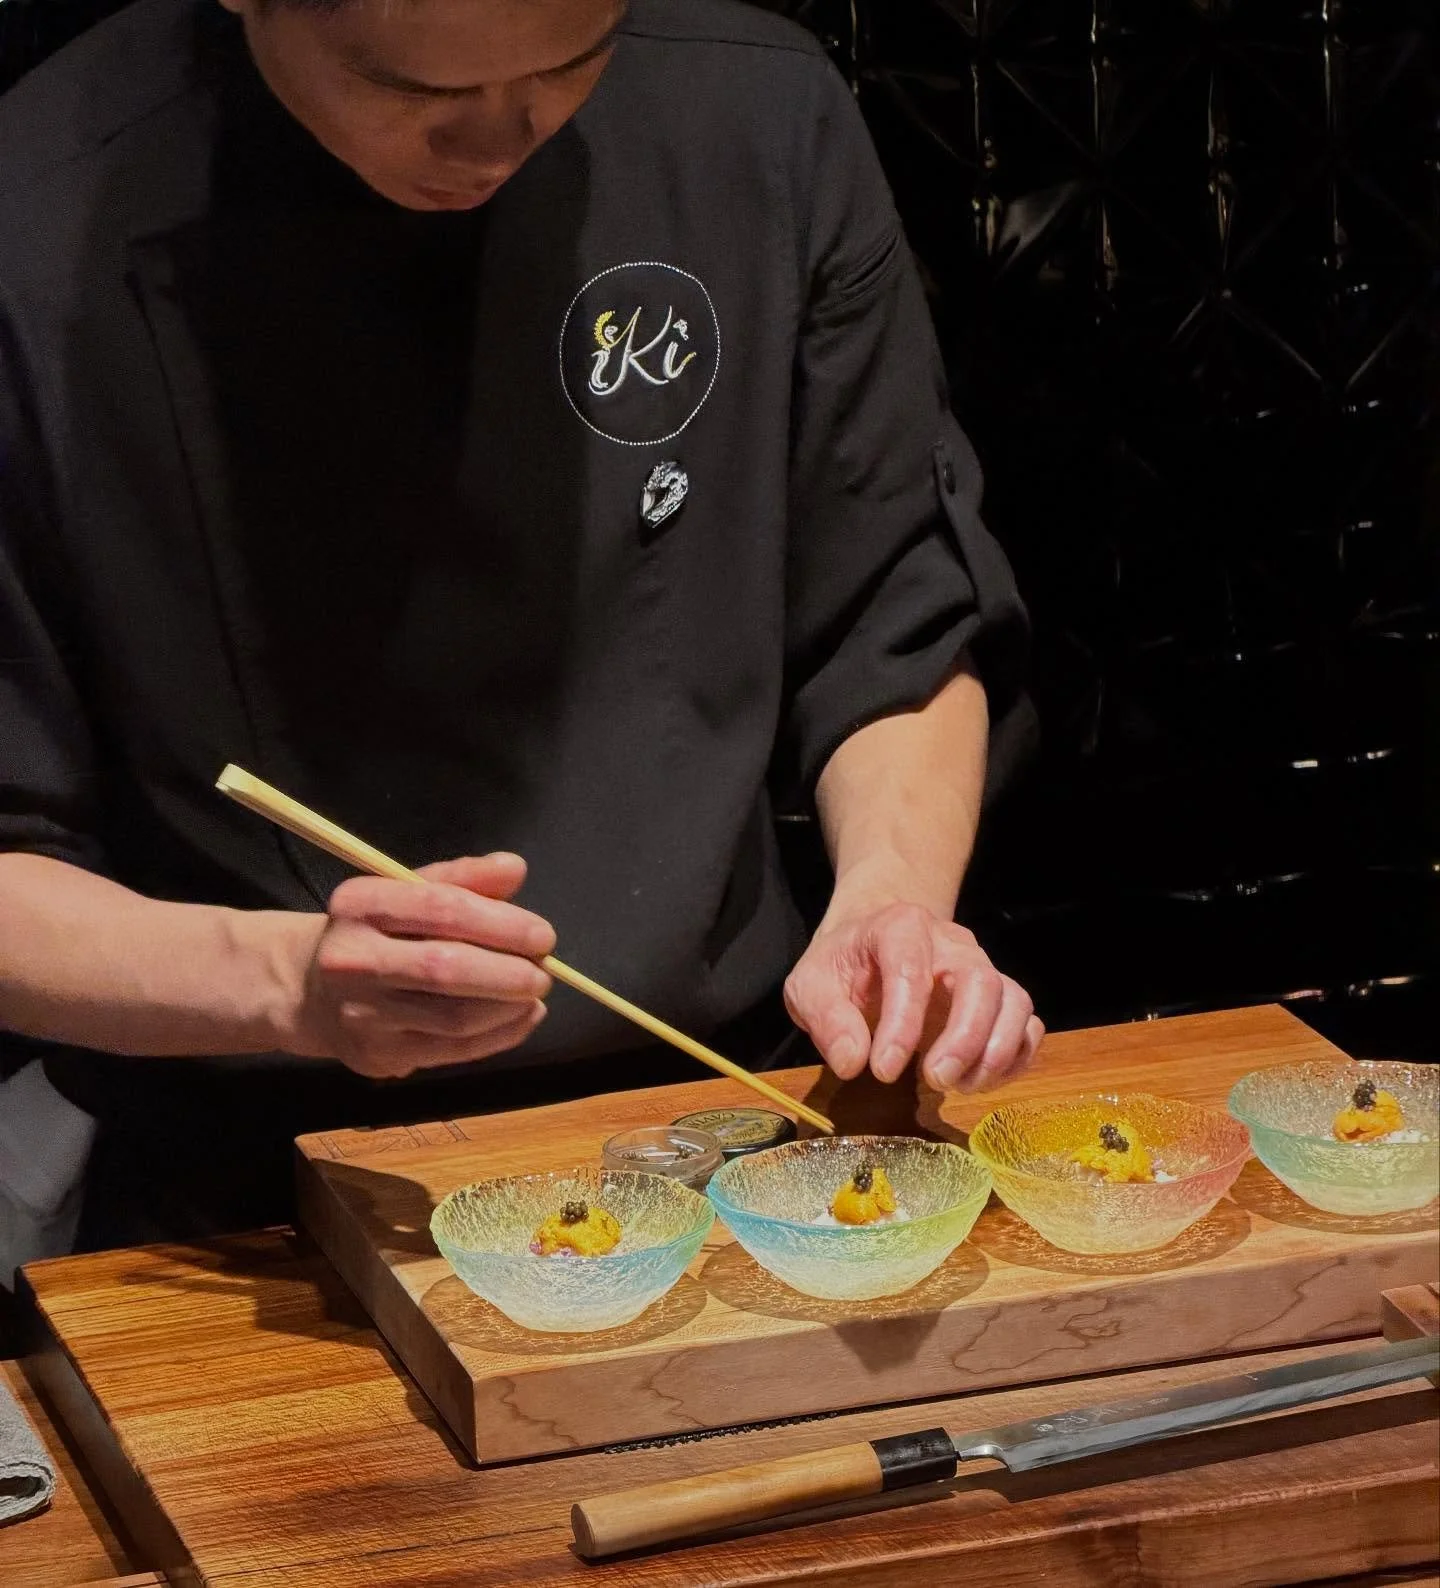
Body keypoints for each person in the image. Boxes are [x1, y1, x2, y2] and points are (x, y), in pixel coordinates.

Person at [0, 0, 1041, 1251]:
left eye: (569, 65)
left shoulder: (755, 117)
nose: (501, 140)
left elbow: (891, 617)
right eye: (414, 90)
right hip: (250, 1182)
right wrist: (292, 986)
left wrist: (890, 898)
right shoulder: (35, 212)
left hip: (725, 1122)